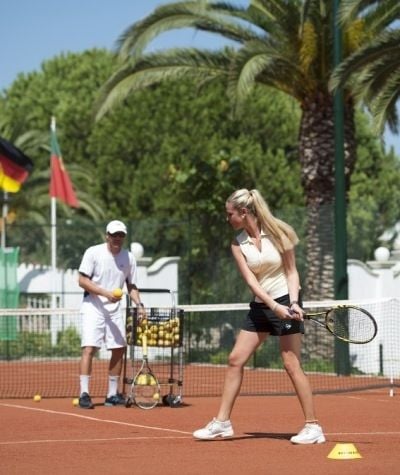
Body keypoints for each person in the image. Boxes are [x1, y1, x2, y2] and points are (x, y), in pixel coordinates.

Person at [193, 189, 325, 444]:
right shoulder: (237, 243)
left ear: (243, 213)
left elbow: (291, 272)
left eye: (229, 213)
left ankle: (313, 427)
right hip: (263, 305)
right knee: (235, 359)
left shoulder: (279, 233)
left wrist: (294, 301)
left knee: (291, 363)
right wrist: (272, 307)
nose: (227, 218)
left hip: (287, 300)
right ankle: (222, 423)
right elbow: (252, 282)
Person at [77, 220, 144, 409]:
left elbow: (131, 286)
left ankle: (112, 395)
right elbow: (82, 280)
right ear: (107, 235)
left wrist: (140, 304)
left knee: (119, 348)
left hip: (114, 310)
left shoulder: (129, 258)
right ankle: (84, 394)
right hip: (93, 306)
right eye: (114, 235)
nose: (117, 238)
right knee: (89, 349)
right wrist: (106, 293)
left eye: (121, 235)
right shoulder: (93, 252)